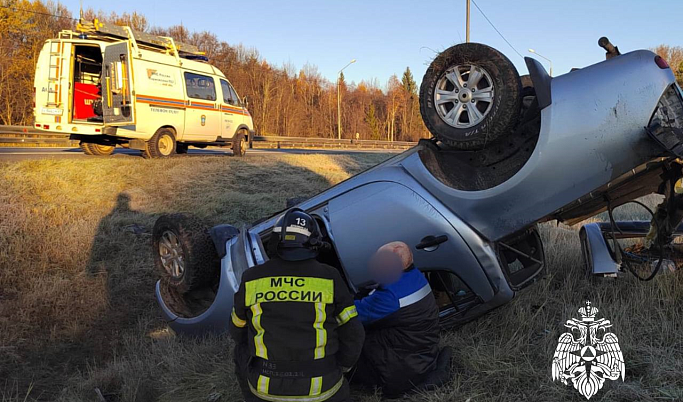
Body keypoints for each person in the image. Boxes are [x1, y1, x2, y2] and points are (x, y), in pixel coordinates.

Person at [230, 208, 365, 402]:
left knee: (239, 350)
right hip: (323, 389)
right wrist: (341, 367)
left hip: (265, 390)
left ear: (276, 242)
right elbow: (353, 333)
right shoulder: (329, 276)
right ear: (314, 244)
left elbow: (236, 330)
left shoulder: (252, 278)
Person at [350, 241, 442, 398]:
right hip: (420, 356)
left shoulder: (390, 297)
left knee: (349, 340)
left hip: (401, 369)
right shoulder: (414, 275)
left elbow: (353, 314)